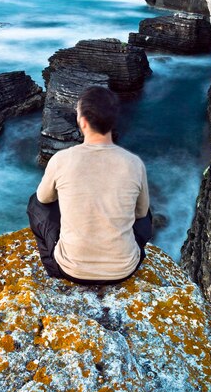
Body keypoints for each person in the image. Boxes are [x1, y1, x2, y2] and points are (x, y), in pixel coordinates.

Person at [27, 85, 152, 285]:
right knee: (145, 211)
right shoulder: (134, 163)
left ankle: (68, 252)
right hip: (125, 269)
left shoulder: (62, 159)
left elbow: (43, 199)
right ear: (113, 122)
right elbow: (141, 214)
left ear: (83, 122)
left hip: (70, 269)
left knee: (36, 203)